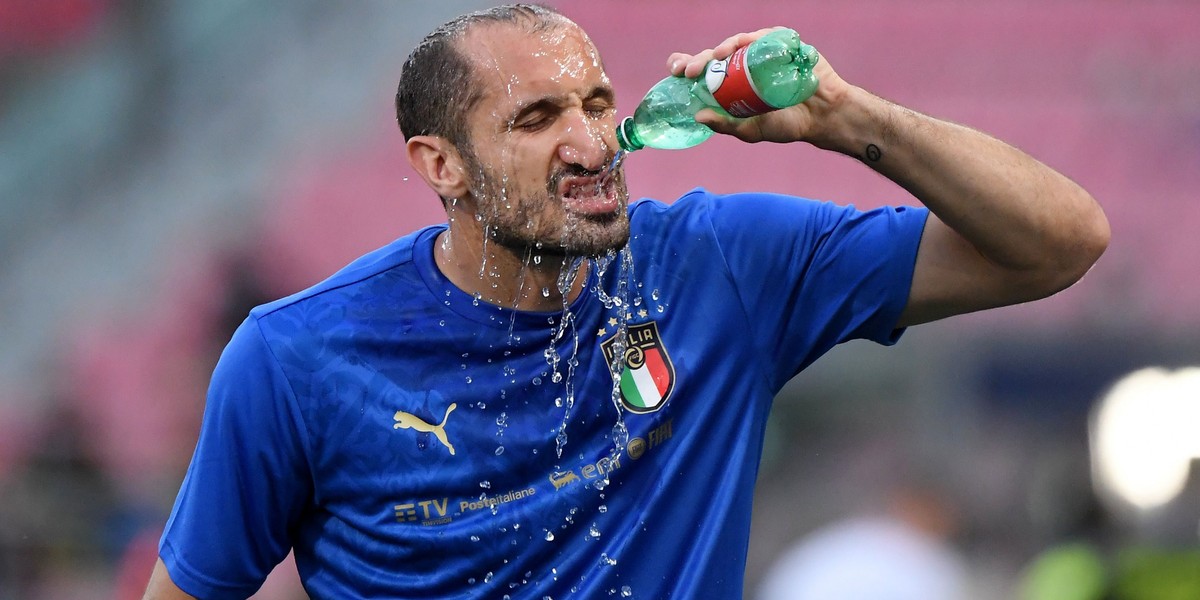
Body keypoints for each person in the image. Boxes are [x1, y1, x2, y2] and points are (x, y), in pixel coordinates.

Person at [143, 4, 1109, 599]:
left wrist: (843, 115)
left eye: (598, 104)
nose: (593, 143)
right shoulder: (296, 357)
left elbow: (1060, 242)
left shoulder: (720, 264)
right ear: (441, 165)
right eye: (538, 118)